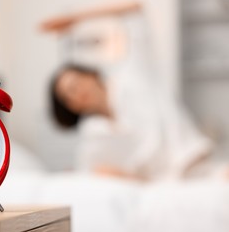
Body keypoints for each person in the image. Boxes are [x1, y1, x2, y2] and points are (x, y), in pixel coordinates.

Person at [50, 62, 212, 181]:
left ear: (91, 74)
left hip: (190, 160)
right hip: (159, 184)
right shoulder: (93, 135)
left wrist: (74, 20)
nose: (75, 94)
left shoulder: (131, 79)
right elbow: (88, 172)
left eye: (75, 85)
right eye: (67, 98)